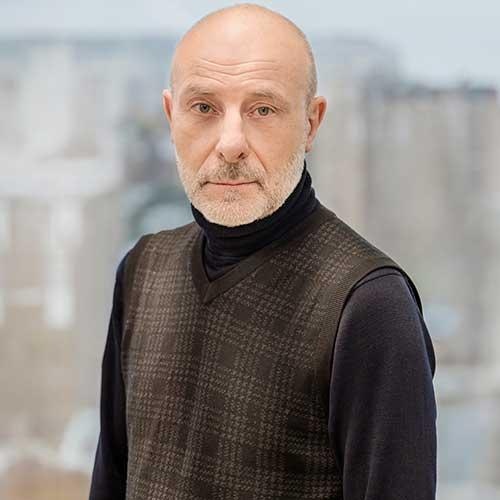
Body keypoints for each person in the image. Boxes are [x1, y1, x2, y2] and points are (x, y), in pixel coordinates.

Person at [89, 3, 437, 499]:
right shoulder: (143, 269)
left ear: (311, 123)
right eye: (203, 108)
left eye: (263, 110)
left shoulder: (368, 305)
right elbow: (110, 480)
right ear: (171, 116)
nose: (230, 144)